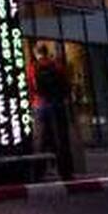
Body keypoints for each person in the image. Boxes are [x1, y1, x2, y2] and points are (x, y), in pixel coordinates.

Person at [33, 44, 74, 179]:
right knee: (60, 139)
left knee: (40, 141)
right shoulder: (57, 66)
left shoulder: (33, 67)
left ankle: (39, 173)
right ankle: (65, 172)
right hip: (57, 105)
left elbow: (30, 88)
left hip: (40, 105)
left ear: (36, 53)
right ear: (47, 52)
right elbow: (67, 86)